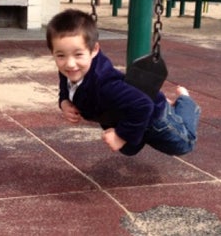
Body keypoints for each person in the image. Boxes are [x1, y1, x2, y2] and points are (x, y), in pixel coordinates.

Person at [46, 9, 201, 156]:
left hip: (154, 117)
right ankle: (160, 109)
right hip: (129, 114)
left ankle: (185, 101)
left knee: (185, 144)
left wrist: (121, 136)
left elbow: (143, 105)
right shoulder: (70, 71)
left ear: (94, 50)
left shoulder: (106, 84)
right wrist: (64, 102)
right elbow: (64, 85)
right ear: (53, 53)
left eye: (78, 54)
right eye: (61, 56)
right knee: (128, 148)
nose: (69, 64)